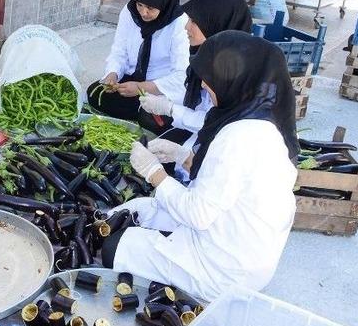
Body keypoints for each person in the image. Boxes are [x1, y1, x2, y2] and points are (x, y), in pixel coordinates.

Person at [101, 32, 300, 301]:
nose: (205, 84)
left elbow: (197, 214)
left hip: (223, 269)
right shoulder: (265, 125)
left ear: (236, 81)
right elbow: (227, 182)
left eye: (211, 79)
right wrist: (182, 155)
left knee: (113, 248)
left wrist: (153, 173)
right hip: (242, 245)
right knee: (137, 209)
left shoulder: (237, 137)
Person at [138, 0, 253, 147]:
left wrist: (171, 109)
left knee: (164, 161)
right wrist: (165, 102)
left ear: (214, 24)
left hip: (224, 144)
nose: (186, 26)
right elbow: (198, 102)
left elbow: (216, 122)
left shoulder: (233, 70)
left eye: (193, 21)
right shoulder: (208, 54)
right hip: (201, 128)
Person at [86, 0, 189, 136]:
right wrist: (112, 75)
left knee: (149, 118)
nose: (143, 12)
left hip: (161, 87)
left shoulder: (179, 23)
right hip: (133, 79)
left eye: (151, 8)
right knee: (95, 93)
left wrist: (142, 87)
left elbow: (181, 75)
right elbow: (119, 51)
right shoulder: (129, 13)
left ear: (164, 4)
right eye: (140, 5)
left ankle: (143, 113)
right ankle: (137, 110)